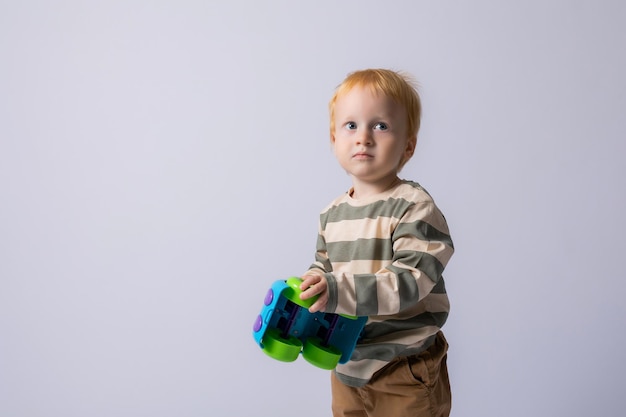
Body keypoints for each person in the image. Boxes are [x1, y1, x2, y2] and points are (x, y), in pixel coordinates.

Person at [298, 69, 455, 417]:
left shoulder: (415, 207)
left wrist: (336, 291)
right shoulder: (332, 214)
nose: (363, 138)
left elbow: (409, 282)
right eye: (351, 125)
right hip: (346, 365)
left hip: (402, 368)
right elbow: (324, 268)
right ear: (333, 138)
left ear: (408, 145)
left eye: (380, 126)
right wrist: (310, 288)